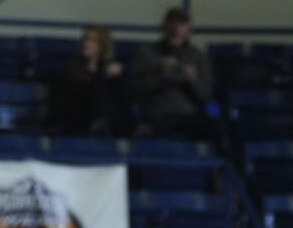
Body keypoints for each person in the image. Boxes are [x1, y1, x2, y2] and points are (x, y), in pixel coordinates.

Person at [129, 7, 215, 139]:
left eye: (181, 24)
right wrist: (159, 72)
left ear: (188, 29)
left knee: (221, 130)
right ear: (164, 26)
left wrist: (192, 82)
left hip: (188, 116)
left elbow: (204, 96)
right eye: (172, 23)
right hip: (156, 115)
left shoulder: (198, 56)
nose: (176, 29)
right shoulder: (147, 53)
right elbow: (135, 90)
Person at [52, 25, 131, 138]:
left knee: (117, 82)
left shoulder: (106, 67)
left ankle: (127, 126)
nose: (86, 44)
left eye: (93, 40)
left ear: (102, 45)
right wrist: (102, 76)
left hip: (108, 119)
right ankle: (100, 122)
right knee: (101, 81)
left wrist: (114, 74)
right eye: (85, 39)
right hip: (78, 116)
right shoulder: (73, 67)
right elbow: (76, 93)